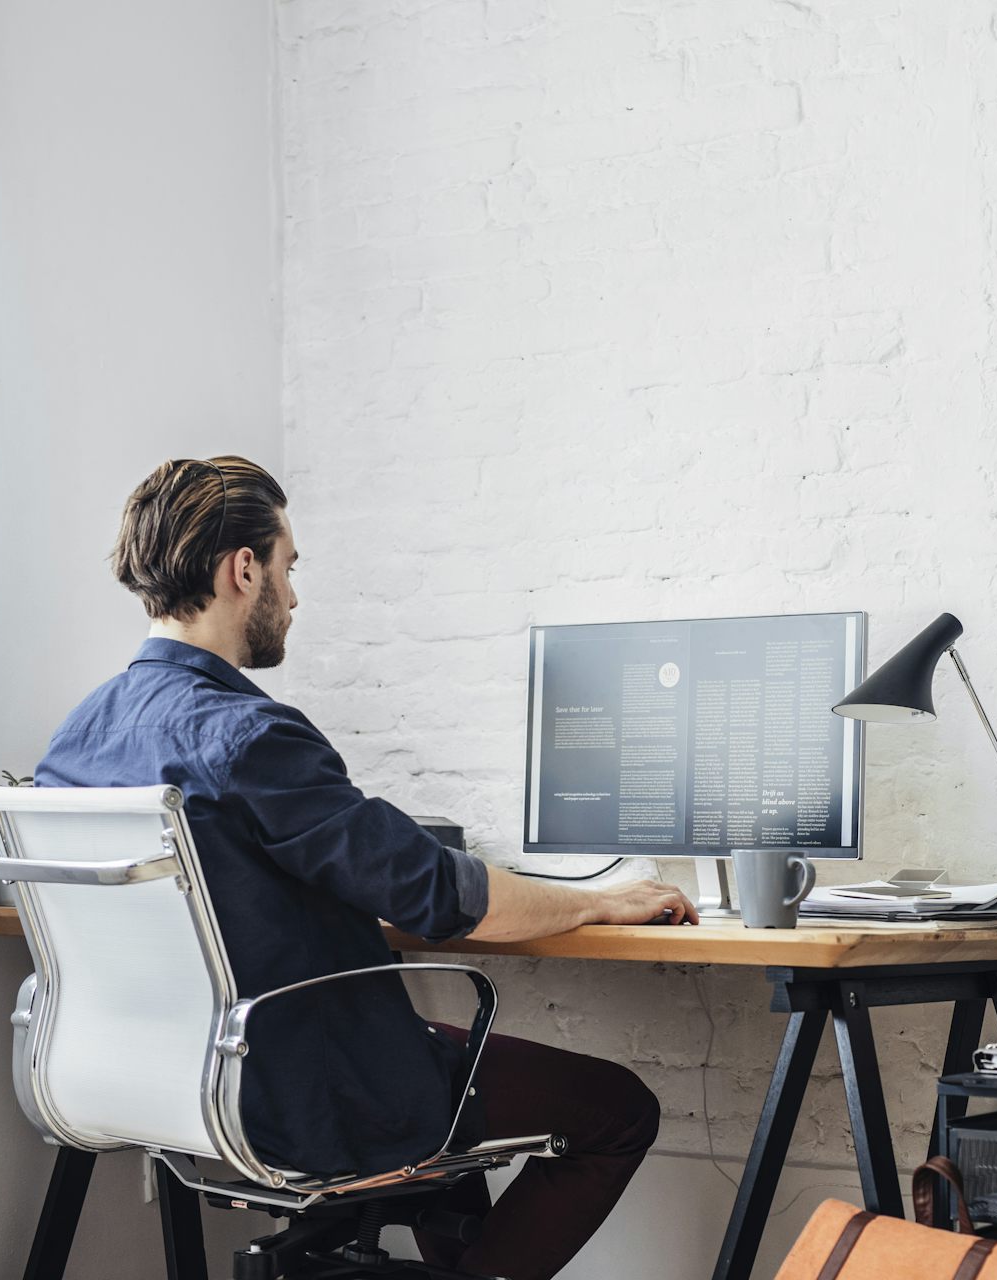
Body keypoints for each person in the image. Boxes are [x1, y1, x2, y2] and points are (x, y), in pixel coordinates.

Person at [34, 456, 697, 1279]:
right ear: (245, 570)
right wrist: (600, 902)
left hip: (157, 1079)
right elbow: (440, 898)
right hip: (297, 1088)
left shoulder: (79, 735)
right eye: (290, 566)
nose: (295, 594)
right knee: (618, 1109)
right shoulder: (249, 735)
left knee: (440, 1084)